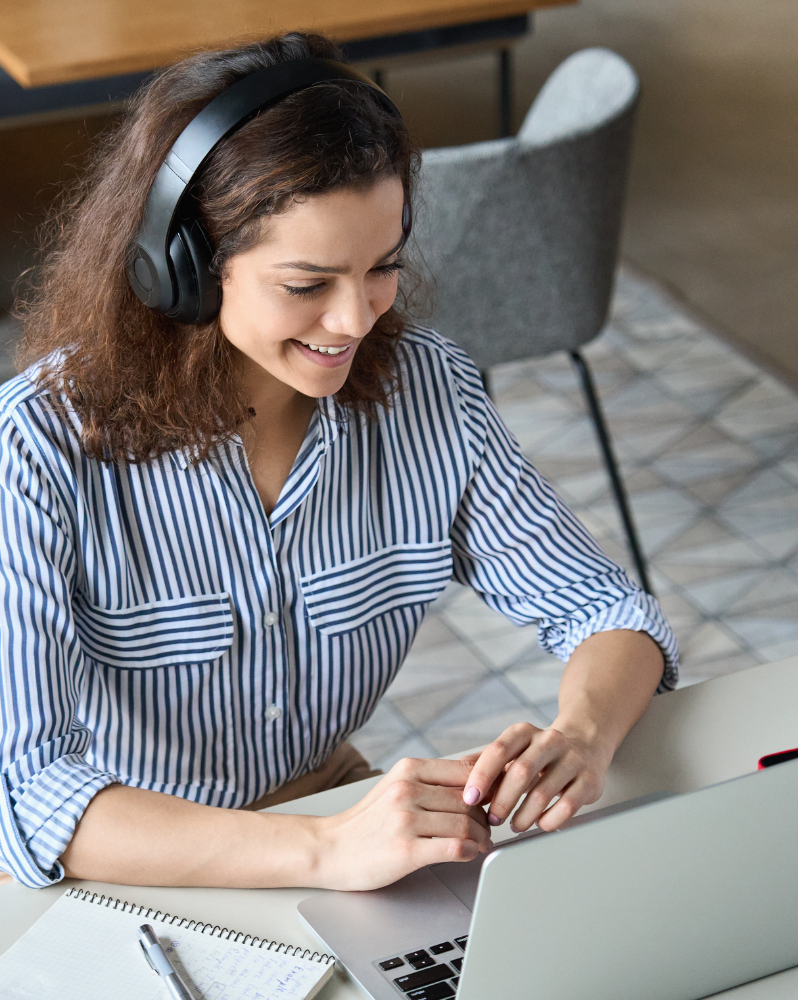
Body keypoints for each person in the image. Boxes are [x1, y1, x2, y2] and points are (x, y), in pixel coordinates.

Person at [0, 32, 677, 892]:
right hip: (124, 862)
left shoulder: (426, 393)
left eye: (382, 267)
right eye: (307, 284)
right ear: (184, 270)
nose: (356, 320)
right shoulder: (37, 448)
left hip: (320, 810)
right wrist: (326, 852)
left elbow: (608, 610)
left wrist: (581, 733)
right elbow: (31, 798)